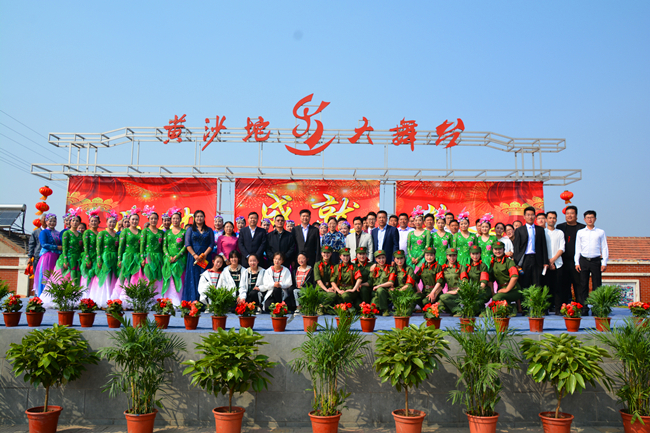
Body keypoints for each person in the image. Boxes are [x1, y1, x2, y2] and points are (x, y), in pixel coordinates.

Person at [574, 210, 608, 316]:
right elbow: (578, 248)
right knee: (583, 285)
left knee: (597, 285)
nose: (590, 219)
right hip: (583, 260)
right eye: (588, 217)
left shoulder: (600, 232)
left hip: (596, 260)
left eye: (592, 217)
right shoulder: (580, 232)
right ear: (584, 219)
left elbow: (604, 247)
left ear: (595, 219)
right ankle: (584, 308)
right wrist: (576, 262)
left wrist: (604, 262)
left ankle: (596, 307)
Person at [556, 205, 586, 305]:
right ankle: (564, 307)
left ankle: (581, 306)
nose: (569, 215)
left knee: (578, 284)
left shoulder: (582, 228)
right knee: (563, 285)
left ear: (576, 215)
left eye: (572, 213)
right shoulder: (560, 227)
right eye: (567, 213)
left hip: (577, 262)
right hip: (563, 261)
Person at [514, 206, 549, 289]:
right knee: (524, 282)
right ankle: (525, 298)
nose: (530, 217)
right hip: (524, 259)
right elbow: (516, 247)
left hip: (537, 259)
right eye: (528, 215)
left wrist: (545, 262)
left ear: (535, 216)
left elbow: (544, 246)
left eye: (532, 215)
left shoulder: (540, 230)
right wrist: (516, 262)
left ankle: (536, 297)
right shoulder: (519, 230)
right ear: (524, 216)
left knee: (537, 282)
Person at [184, 210, 215, 302]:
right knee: (193, 278)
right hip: (193, 257)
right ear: (194, 218)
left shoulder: (209, 230)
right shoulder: (190, 230)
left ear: (204, 218)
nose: (199, 218)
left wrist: (204, 254)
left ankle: (205, 302)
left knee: (204, 278)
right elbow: (187, 244)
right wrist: (194, 255)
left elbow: (212, 244)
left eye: (201, 216)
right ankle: (193, 301)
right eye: (197, 216)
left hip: (205, 257)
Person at [162, 208, 187, 305]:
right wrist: (168, 257)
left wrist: (177, 257)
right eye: (173, 218)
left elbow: (185, 245)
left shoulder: (184, 232)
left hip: (180, 259)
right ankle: (168, 300)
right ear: (171, 220)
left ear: (180, 220)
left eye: (177, 218)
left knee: (178, 279)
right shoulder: (167, 232)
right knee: (169, 280)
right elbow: (164, 246)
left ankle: (178, 301)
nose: (175, 220)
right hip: (168, 259)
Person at [95, 210, 119, 308]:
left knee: (113, 278)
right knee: (105, 278)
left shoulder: (117, 235)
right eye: (110, 222)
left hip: (114, 258)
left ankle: (113, 299)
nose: (112, 224)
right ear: (106, 222)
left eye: (114, 222)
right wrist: (99, 259)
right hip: (105, 258)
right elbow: (98, 248)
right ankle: (104, 300)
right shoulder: (102, 234)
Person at [33, 213, 61, 296]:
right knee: (46, 276)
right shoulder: (44, 232)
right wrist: (57, 247)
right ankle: (43, 296)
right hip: (47, 257)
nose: (52, 223)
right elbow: (44, 244)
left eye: (54, 221)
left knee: (55, 277)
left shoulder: (58, 233)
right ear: (46, 222)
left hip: (56, 257)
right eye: (50, 221)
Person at [490, 242, 523, 312]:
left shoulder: (509, 262)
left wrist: (507, 289)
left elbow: (515, 277)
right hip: (501, 289)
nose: (498, 251)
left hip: (513, 289)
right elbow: (490, 279)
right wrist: (492, 291)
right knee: (495, 307)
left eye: (500, 249)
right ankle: (510, 306)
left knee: (496, 298)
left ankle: (511, 308)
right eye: (495, 249)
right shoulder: (493, 262)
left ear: (504, 249)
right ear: (492, 250)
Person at [140, 208, 165, 295]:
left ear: (158, 220)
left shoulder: (161, 232)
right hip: (148, 258)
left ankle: (157, 297)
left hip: (159, 257)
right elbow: (142, 246)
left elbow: (163, 247)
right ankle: (147, 297)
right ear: (148, 219)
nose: (153, 220)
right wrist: (142, 258)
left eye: (155, 218)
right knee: (148, 277)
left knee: (158, 277)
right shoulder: (145, 231)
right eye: (151, 218)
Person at [545, 211, 566, 314]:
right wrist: (548, 262)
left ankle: (558, 309)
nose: (552, 220)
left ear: (556, 220)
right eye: (550, 218)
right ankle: (546, 308)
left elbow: (562, 248)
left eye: (554, 218)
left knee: (558, 287)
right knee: (546, 288)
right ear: (546, 220)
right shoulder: (542, 232)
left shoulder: (560, 232)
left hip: (558, 263)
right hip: (545, 264)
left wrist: (553, 260)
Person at [55, 210, 83, 286]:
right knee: (69, 277)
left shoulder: (80, 235)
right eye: (73, 220)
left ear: (79, 223)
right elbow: (64, 247)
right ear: (70, 222)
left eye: (77, 221)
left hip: (78, 258)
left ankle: (77, 291)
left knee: (78, 276)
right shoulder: (66, 233)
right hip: (69, 258)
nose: (75, 222)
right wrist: (65, 259)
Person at [435, 249, 464, 316]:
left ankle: (459, 310)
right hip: (449, 293)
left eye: (454, 256)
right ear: (447, 256)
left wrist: (457, 291)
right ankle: (451, 309)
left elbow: (464, 281)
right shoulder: (444, 268)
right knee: (437, 306)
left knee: (443, 297)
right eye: (450, 256)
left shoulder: (461, 267)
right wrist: (435, 294)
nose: (452, 258)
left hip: (458, 292)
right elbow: (441, 284)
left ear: (457, 256)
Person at [80, 208, 101, 304]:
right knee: (88, 277)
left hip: (97, 257)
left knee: (96, 278)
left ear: (99, 222)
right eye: (92, 221)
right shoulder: (87, 233)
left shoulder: (100, 233)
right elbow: (85, 246)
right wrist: (87, 258)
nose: (93, 223)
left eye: (95, 221)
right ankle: (85, 299)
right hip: (89, 257)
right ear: (89, 222)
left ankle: (94, 298)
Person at [369, 250, 393, 316]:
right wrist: (361, 284)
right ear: (376, 259)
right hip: (375, 294)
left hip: (386, 292)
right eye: (379, 258)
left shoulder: (390, 269)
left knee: (380, 290)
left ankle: (385, 309)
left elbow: (391, 283)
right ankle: (379, 309)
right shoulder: (374, 269)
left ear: (386, 258)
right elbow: (370, 281)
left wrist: (378, 286)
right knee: (373, 311)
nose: (381, 260)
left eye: (383, 257)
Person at [314, 245, 337, 310]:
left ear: (331, 253)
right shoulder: (317, 265)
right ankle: (322, 307)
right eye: (324, 252)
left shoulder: (334, 265)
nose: (326, 254)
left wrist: (332, 288)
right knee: (332, 296)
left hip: (331, 288)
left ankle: (321, 307)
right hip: (321, 289)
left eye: (328, 252)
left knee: (337, 296)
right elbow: (318, 280)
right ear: (321, 253)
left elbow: (335, 279)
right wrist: (327, 290)